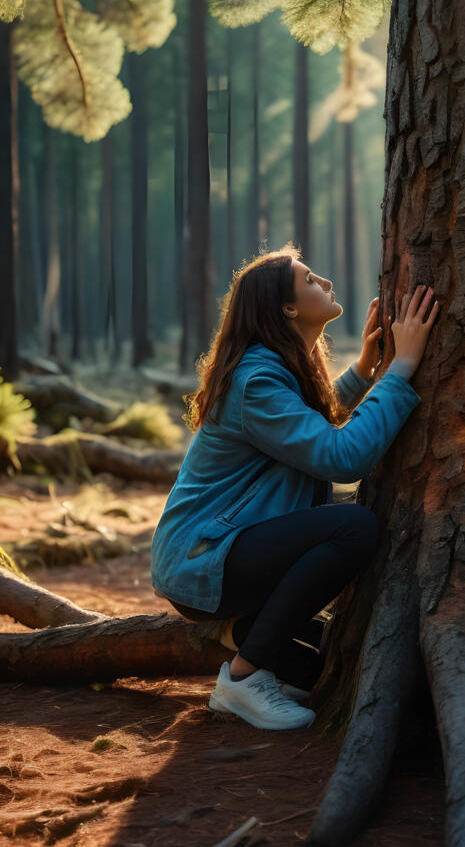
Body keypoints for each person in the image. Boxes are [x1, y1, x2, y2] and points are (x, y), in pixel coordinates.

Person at [150, 243, 439, 731]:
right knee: (354, 527)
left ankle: (243, 631)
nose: (323, 282)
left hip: (222, 552)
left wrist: (366, 372)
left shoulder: (273, 370)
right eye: (309, 279)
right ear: (287, 308)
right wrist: (401, 369)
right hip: (206, 557)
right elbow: (341, 458)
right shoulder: (257, 381)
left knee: (323, 670)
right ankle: (241, 680)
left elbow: (308, 430)